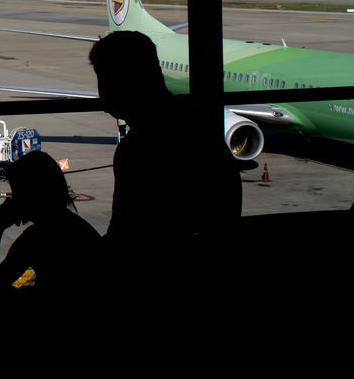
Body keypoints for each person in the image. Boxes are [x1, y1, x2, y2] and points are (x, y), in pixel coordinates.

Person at [89, 30, 241, 337]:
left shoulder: (140, 147)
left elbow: (129, 241)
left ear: (120, 82)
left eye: (104, 81)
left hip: (163, 291)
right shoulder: (195, 121)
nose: (102, 95)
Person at [0, 150, 103, 331]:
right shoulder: (80, 230)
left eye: (17, 193)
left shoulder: (38, 239)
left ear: (32, 195)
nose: (14, 201)